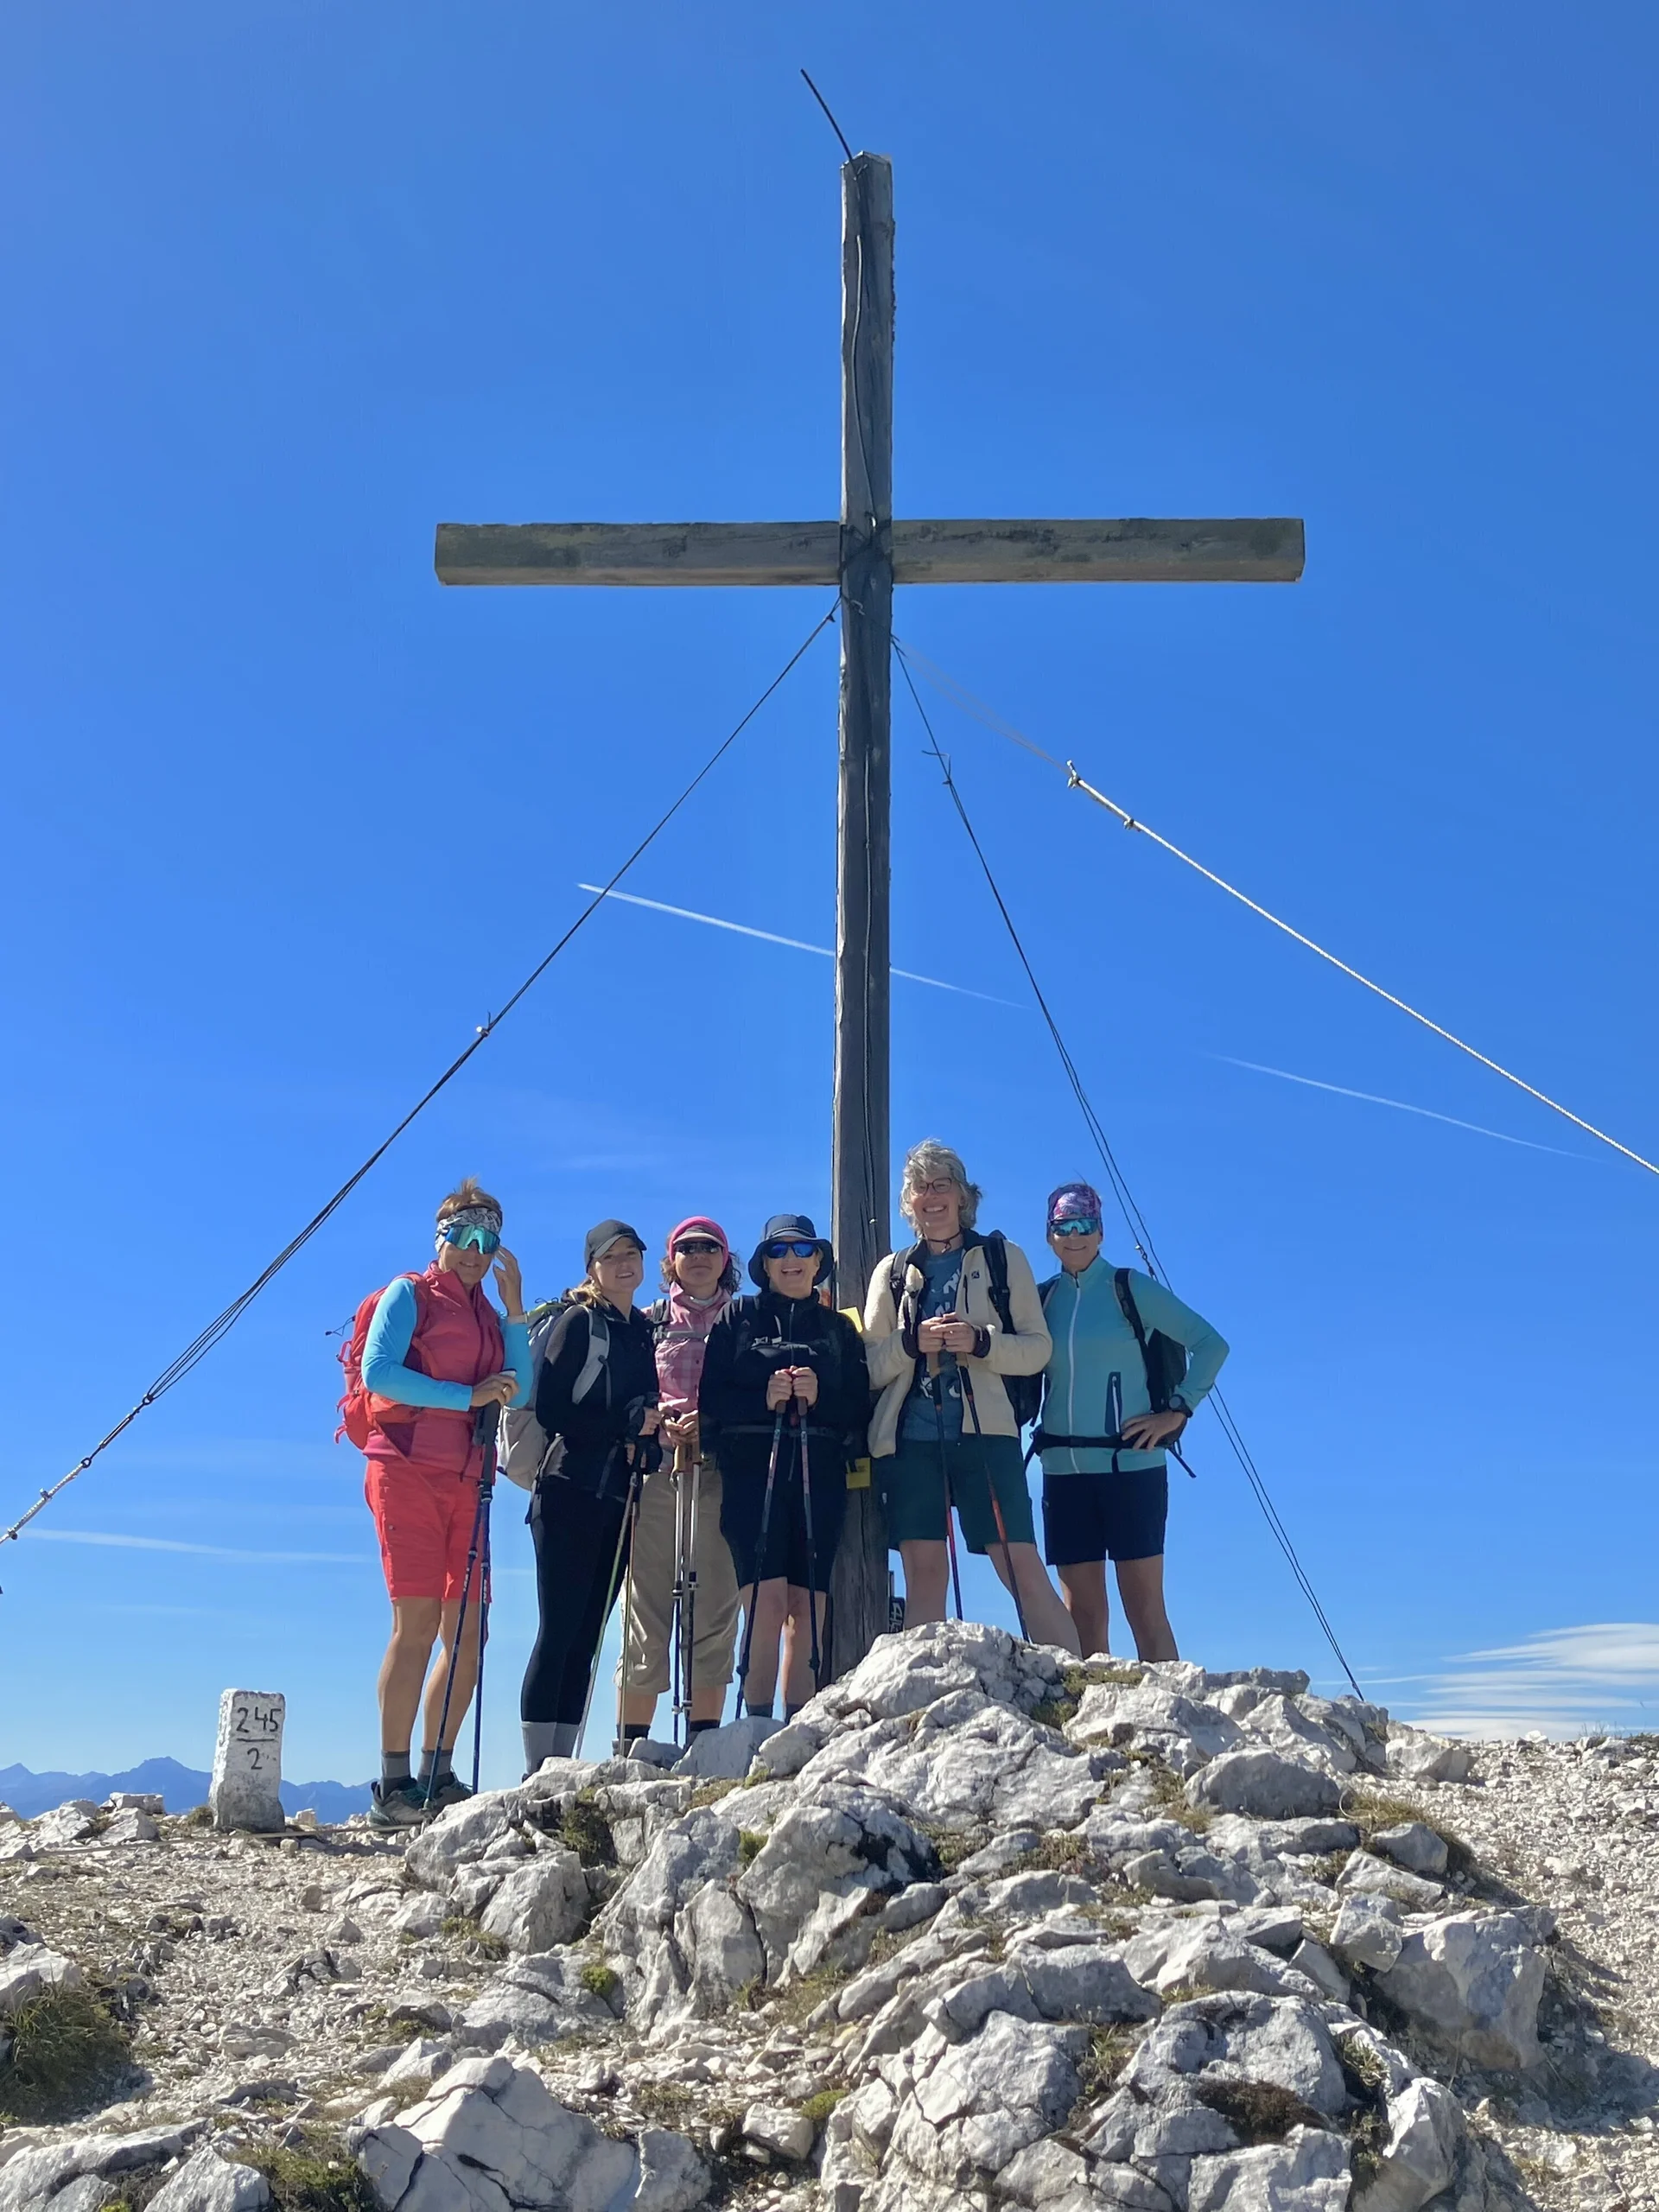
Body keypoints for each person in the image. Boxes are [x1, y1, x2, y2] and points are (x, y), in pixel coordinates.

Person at [358, 1178, 531, 1827]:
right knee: (419, 1625)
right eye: (463, 1238)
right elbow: (380, 1372)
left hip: (468, 1477)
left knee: (469, 1633)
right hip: (404, 1469)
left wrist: (514, 1310)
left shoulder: (489, 1313)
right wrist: (468, 1398)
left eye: (487, 1242)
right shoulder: (409, 1295)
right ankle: (394, 1783)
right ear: (442, 1240)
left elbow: (520, 1385)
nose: (474, 1252)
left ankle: (437, 1773)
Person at [865, 1141, 1077, 1654]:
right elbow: (868, 1367)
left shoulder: (1004, 1259)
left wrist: (979, 1340)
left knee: (1018, 1562)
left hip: (989, 1434)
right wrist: (912, 1344)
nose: (931, 1196)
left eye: (942, 1185)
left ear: (963, 1196)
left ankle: (1079, 1685)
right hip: (910, 1438)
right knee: (924, 1571)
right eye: (921, 1187)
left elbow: (1037, 1350)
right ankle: (920, 1696)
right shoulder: (891, 1272)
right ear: (908, 1203)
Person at [1035, 1180, 1229, 1661]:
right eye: (1063, 1226)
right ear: (1049, 1235)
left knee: (1144, 1611)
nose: (1074, 1236)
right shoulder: (1040, 1301)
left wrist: (1177, 1411)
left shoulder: (1128, 1288)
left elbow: (1211, 1344)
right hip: (1063, 1472)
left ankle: (1170, 1720)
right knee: (1082, 1616)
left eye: (1085, 1225)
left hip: (1133, 1469)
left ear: (1100, 1234)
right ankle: (1089, 1730)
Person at [699, 1213, 868, 1719]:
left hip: (820, 1475)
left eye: (802, 1251)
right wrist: (763, 1398)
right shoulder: (738, 1317)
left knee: (809, 1608)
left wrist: (822, 1398)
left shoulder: (840, 1330)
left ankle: (799, 1727)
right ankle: (756, 1727)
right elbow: (712, 1398)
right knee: (766, 1602)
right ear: (764, 1265)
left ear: (819, 1261)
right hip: (753, 1475)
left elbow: (861, 1410)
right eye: (778, 1252)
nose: (791, 1261)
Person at [521, 1221, 661, 1772]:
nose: (625, 1264)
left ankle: (559, 1765)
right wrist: (621, 1425)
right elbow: (553, 1408)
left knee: (587, 1635)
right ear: (593, 1268)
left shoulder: (640, 1332)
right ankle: (540, 1769)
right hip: (567, 1491)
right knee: (558, 1630)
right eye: (613, 1257)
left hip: (617, 1497)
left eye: (632, 1254)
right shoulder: (580, 1323)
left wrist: (644, 1433)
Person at [616, 1218, 743, 1747]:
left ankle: (704, 1743)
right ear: (672, 1259)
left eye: (709, 1247)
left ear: (724, 1257)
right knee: (644, 1603)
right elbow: (626, 1390)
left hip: (718, 1473)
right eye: (686, 1248)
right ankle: (634, 1743)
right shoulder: (646, 1323)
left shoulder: (744, 1322)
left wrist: (711, 1419)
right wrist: (653, 1413)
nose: (698, 1256)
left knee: (714, 1603)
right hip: (656, 1473)